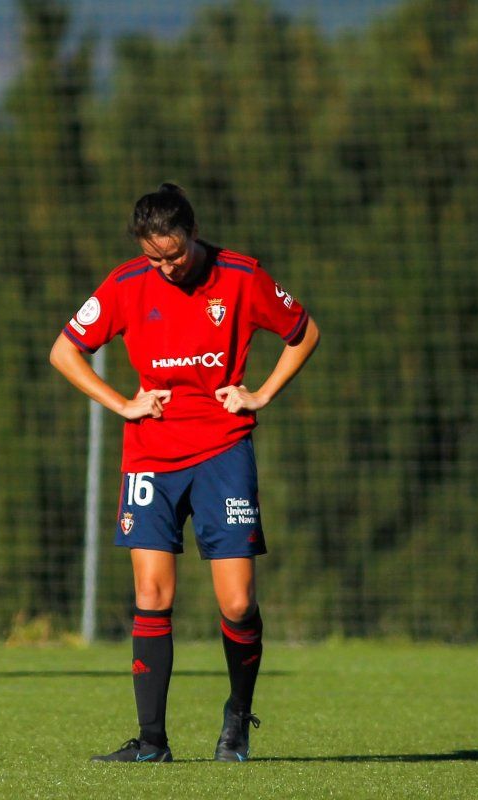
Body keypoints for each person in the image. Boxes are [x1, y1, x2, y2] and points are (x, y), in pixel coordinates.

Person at [50, 184, 319, 763]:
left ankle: (238, 717)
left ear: (194, 235)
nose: (167, 268)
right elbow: (64, 351)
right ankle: (151, 742)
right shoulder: (125, 284)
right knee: (152, 592)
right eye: (156, 258)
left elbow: (304, 333)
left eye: (175, 255)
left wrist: (262, 394)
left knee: (238, 602)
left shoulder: (242, 276)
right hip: (150, 455)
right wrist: (123, 403)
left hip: (223, 450)